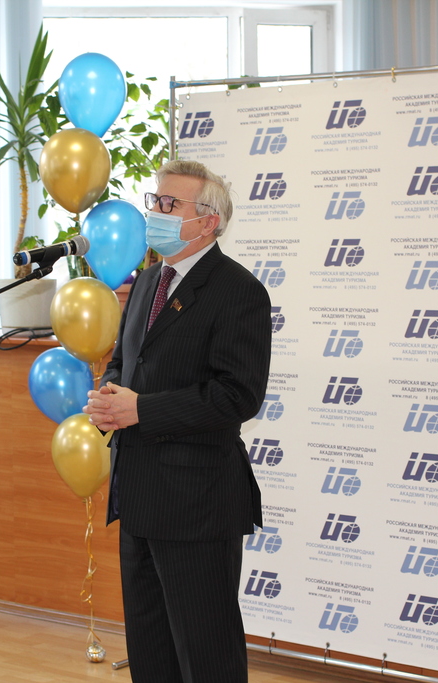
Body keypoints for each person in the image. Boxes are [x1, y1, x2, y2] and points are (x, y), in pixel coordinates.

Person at [83, 159, 272, 682]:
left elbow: (237, 396)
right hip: (138, 496)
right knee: (151, 652)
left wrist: (141, 409)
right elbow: (126, 361)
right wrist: (109, 398)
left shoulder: (238, 291)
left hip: (197, 504)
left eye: (170, 204)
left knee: (207, 654)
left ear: (208, 221)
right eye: (155, 201)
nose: (156, 213)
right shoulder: (148, 281)